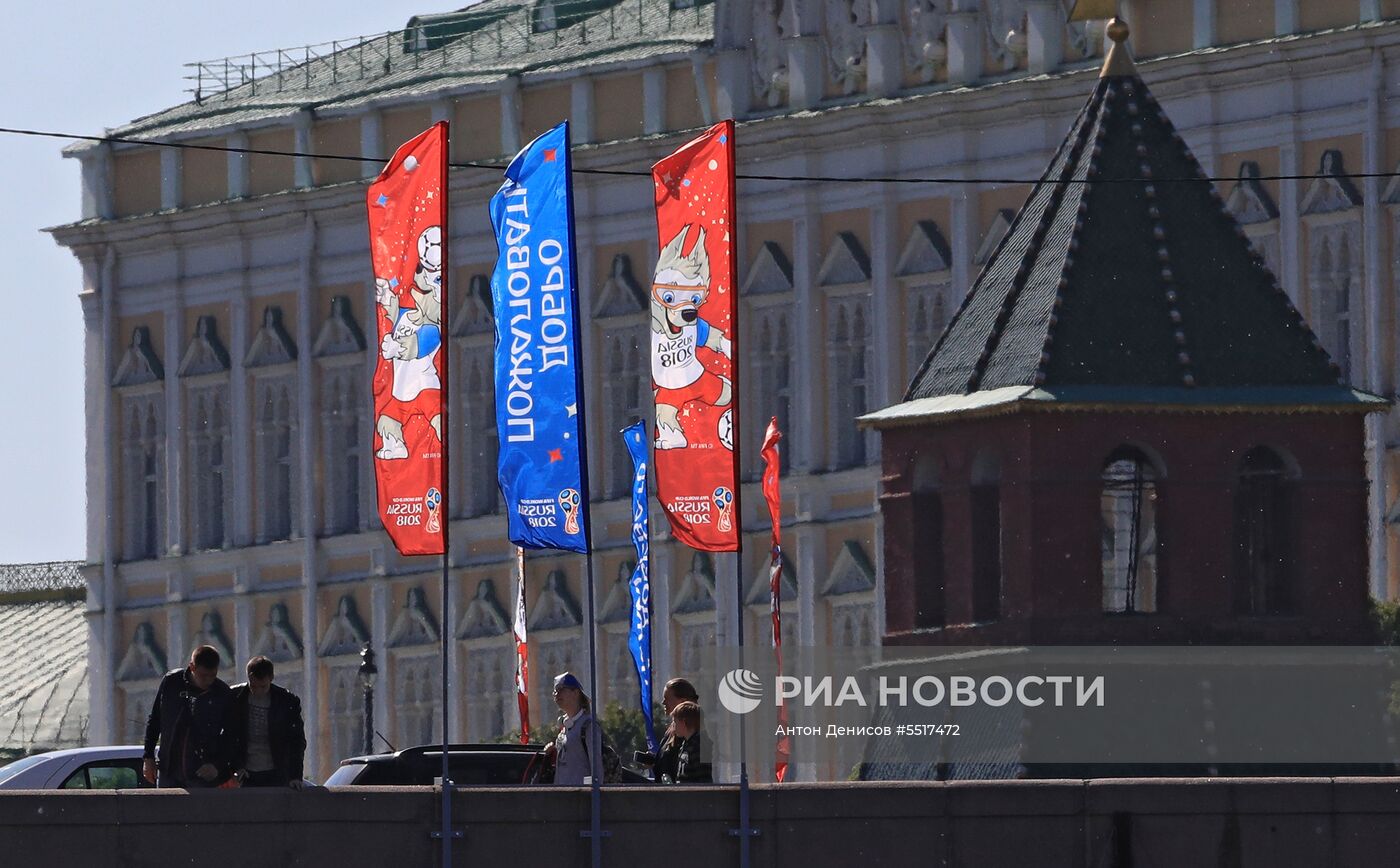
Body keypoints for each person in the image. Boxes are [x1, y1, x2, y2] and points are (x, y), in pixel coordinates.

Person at [142, 645, 232, 788]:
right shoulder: (172, 682)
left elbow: (230, 736)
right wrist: (148, 756)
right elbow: (155, 719)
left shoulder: (222, 693)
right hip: (169, 769)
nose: (208, 681)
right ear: (192, 667)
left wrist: (217, 765)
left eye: (212, 676)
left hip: (201, 772)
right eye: (203, 676)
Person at [223, 656, 308, 788]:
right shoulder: (235, 698)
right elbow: (228, 737)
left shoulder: (286, 702)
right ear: (249, 679)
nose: (258, 691)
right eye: (253, 686)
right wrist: (236, 767)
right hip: (246, 774)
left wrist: (295, 776)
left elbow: (296, 741)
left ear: (271, 678)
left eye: (263, 686)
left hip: (277, 773)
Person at [636, 677, 701, 781]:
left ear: (682, 701)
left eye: (667, 699)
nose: (663, 703)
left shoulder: (690, 733)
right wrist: (655, 761)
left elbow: (681, 767)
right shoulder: (673, 730)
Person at [543, 672, 601, 786]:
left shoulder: (588, 726)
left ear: (575, 693)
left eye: (561, 689)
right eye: (555, 691)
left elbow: (597, 769)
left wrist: (591, 794)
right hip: (562, 796)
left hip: (581, 797)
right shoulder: (563, 727)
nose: (556, 694)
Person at [668, 701, 711, 783]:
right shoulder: (686, 744)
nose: (673, 726)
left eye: (675, 722)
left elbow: (704, 780)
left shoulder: (699, 746)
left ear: (683, 723)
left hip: (693, 795)